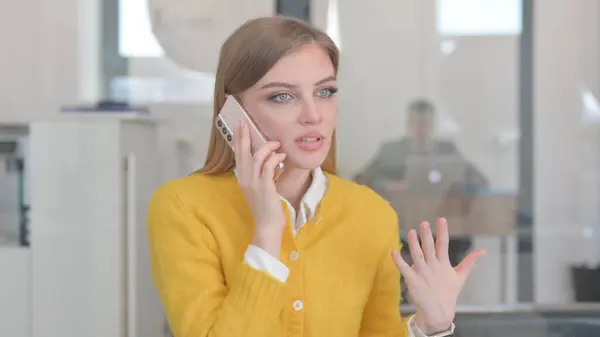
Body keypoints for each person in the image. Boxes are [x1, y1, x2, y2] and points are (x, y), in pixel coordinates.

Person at [147, 16, 486, 337]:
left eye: (324, 92)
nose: (313, 115)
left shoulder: (370, 213)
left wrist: (430, 326)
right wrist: (267, 231)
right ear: (233, 111)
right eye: (282, 96)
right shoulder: (184, 207)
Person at [355, 99, 489, 267]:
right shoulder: (392, 151)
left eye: (426, 124)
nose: (422, 129)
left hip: (442, 229)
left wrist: (456, 192)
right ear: (409, 125)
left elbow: (479, 181)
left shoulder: (447, 150)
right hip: (403, 228)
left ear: (433, 125)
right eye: (418, 123)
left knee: (456, 245)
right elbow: (361, 179)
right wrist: (387, 186)